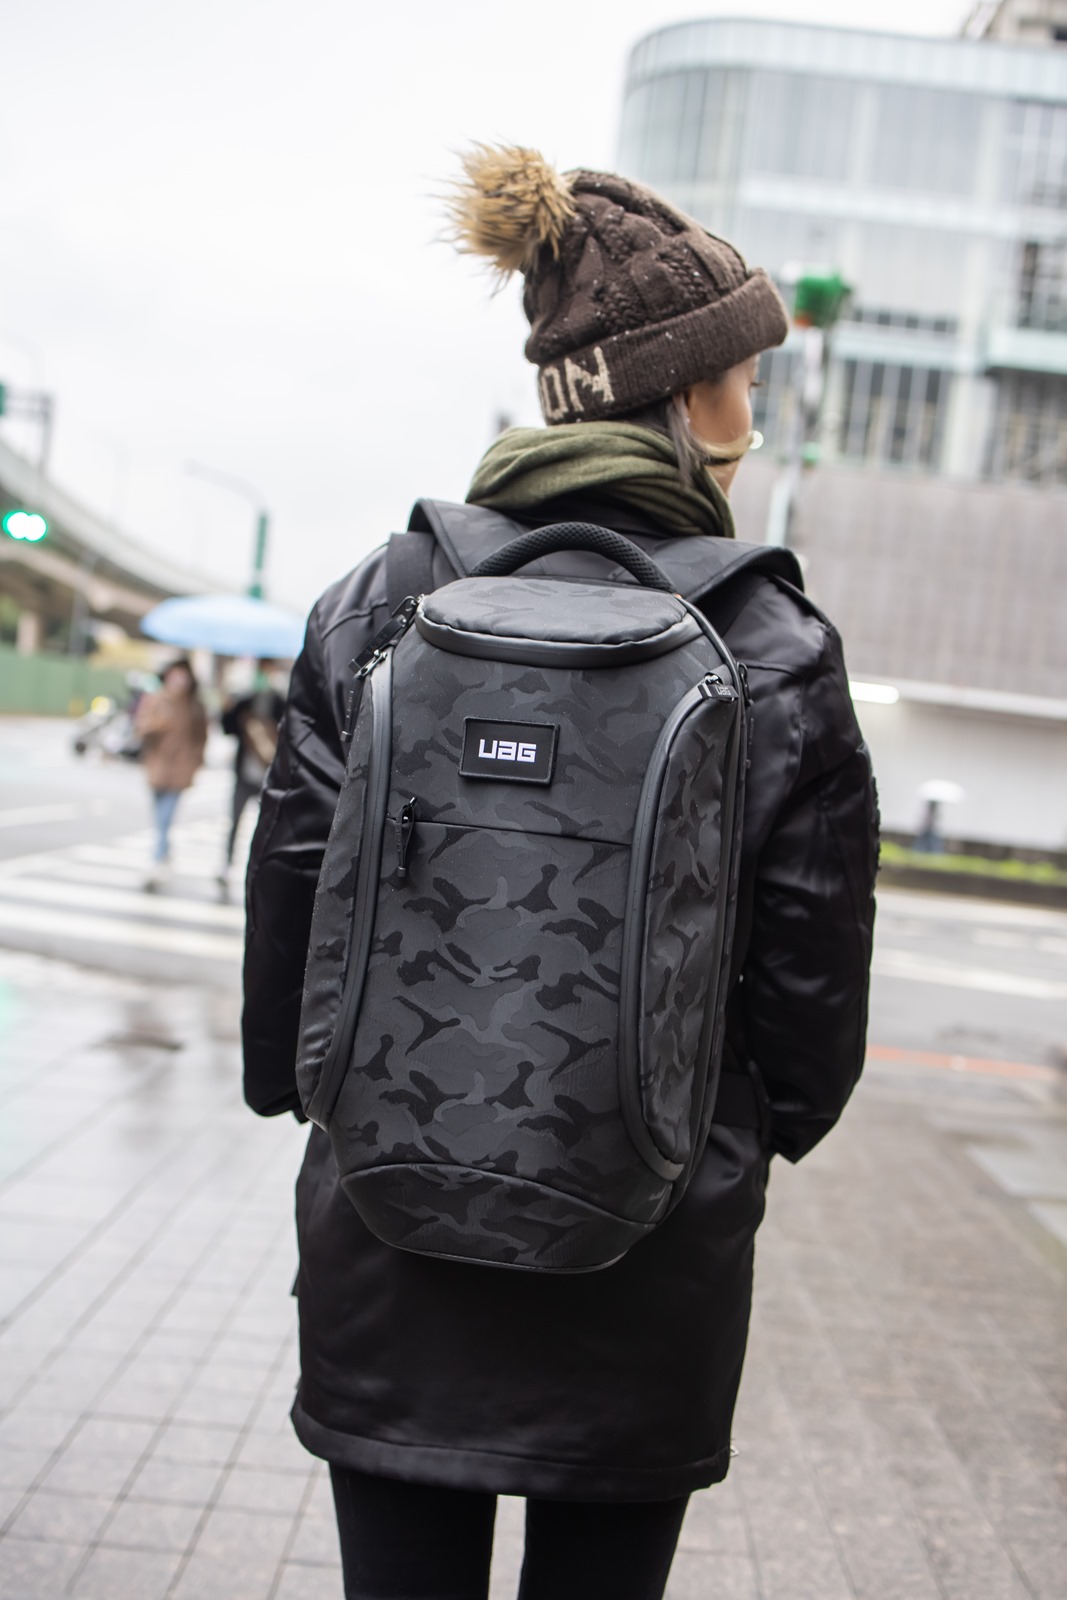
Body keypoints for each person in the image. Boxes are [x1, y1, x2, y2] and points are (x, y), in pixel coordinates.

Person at [242, 146, 879, 1600]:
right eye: (740, 380)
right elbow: (807, 998)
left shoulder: (379, 600)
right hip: (647, 1242)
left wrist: (301, 1095)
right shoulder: (772, 642)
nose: (750, 414)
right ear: (679, 397)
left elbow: (291, 898)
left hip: (389, 1221)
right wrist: (734, 1136)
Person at [134, 657, 208, 890]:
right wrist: (159, 724)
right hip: (157, 767)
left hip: (180, 769)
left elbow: (201, 737)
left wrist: (195, 762)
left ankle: (157, 859)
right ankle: (164, 853)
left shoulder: (194, 706)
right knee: (159, 816)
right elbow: (141, 728)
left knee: (165, 817)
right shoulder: (157, 700)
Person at [218, 662, 286, 888]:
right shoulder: (244, 701)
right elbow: (228, 729)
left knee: (267, 825)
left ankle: (259, 867)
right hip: (244, 773)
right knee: (234, 820)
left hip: (269, 775)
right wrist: (228, 708)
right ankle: (227, 863)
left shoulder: (281, 702)